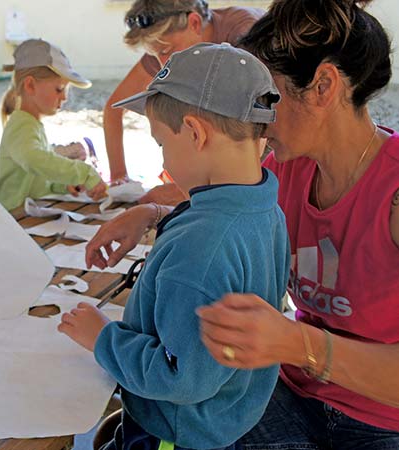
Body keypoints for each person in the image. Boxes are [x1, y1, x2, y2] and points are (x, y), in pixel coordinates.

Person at [84, 1, 399, 447]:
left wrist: (297, 343)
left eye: (265, 96)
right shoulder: (284, 166)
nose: (249, 118)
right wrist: (149, 216)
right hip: (289, 391)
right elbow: (216, 199)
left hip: (379, 423)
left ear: (323, 86)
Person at [59, 43, 290, 450]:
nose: (163, 157)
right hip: (229, 415)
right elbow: (220, 233)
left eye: (162, 143)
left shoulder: (200, 249)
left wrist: (101, 338)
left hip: (177, 432)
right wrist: (153, 214)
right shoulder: (263, 208)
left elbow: (181, 377)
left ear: (196, 133)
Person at [103, 0, 264, 204]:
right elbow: (114, 108)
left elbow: (257, 134)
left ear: (195, 23)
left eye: (165, 51)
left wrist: (187, 192)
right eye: (154, 54)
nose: (163, 64)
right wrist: (119, 178)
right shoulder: (166, 47)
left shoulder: (243, 34)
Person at [0, 38, 107, 211]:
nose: (65, 97)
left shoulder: (31, 125)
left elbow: (36, 179)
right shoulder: (21, 126)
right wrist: (84, 173)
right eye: (59, 89)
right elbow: (35, 161)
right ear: (30, 85)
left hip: (26, 216)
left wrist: (63, 185)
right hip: (10, 219)